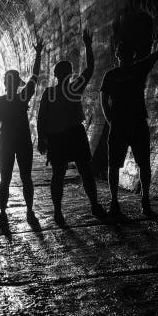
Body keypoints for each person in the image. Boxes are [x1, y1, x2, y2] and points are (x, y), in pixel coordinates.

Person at [101, 11, 158, 216]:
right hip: (123, 124)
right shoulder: (113, 75)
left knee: (141, 164)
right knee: (116, 165)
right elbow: (104, 101)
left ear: (130, 55)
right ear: (119, 55)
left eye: (127, 52)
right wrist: (111, 120)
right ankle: (116, 202)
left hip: (135, 123)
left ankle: (143, 200)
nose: (124, 55)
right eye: (122, 53)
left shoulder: (133, 70)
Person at [37, 28, 105, 225]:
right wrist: (88, 45)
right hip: (75, 134)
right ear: (69, 73)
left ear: (56, 74)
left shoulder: (49, 93)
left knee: (59, 174)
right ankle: (94, 205)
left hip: (58, 137)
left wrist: (42, 138)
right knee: (84, 170)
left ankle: (58, 212)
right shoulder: (74, 88)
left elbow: (42, 118)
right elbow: (90, 69)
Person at [0, 38, 42, 222]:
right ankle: (29, 210)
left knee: (5, 179)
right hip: (23, 142)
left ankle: (3, 212)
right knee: (25, 177)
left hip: (6, 143)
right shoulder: (22, 98)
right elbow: (34, 78)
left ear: (6, 83)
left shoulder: (0, 102)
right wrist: (38, 54)